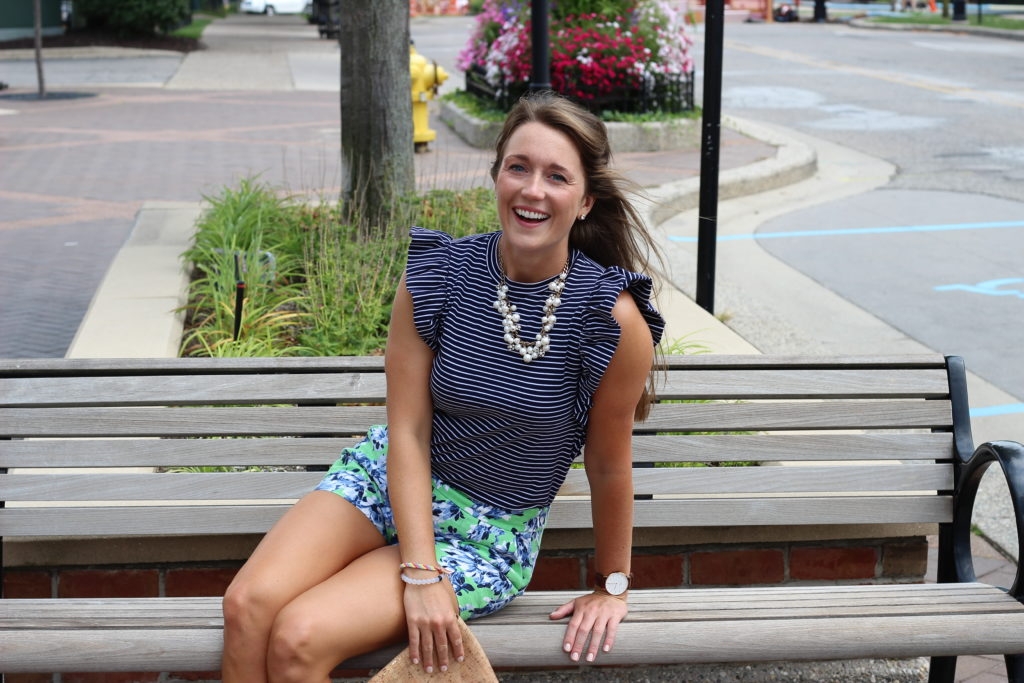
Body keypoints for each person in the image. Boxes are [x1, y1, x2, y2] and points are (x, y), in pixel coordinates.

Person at [220, 90, 666, 683]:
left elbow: (608, 464)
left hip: (485, 532)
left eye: (557, 177)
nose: (533, 190)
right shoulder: (439, 275)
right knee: (247, 607)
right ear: (496, 175)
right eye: (518, 167)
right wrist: (420, 572)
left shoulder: (610, 320)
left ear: (585, 201)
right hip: (392, 476)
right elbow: (407, 428)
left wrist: (611, 587)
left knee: (300, 638)